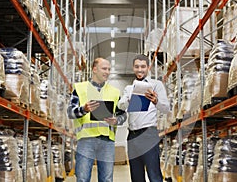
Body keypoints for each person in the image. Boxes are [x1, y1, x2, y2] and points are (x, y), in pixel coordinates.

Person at [67, 57, 127, 182]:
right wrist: (84, 109)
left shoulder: (114, 92)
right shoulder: (80, 88)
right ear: (94, 69)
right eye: (104, 68)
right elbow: (70, 112)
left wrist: (116, 120)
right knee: (82, 178)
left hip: (107, 141)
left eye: (109, 69)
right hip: (86, 140)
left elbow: (123, 115)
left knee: (106, 179)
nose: (107, 72)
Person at [118, 54, 170, 182]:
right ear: (133, 68)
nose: (139, 70)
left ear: (148, 67)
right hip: (132, 136)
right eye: (137, 67)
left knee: (154, 175)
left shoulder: (156, 85)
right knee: (136, 176)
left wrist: (156, 101)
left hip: (148, 134)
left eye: (142, 66)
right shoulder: (129, 88)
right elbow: (121, 105)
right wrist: (127, 100)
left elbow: (166, 108)